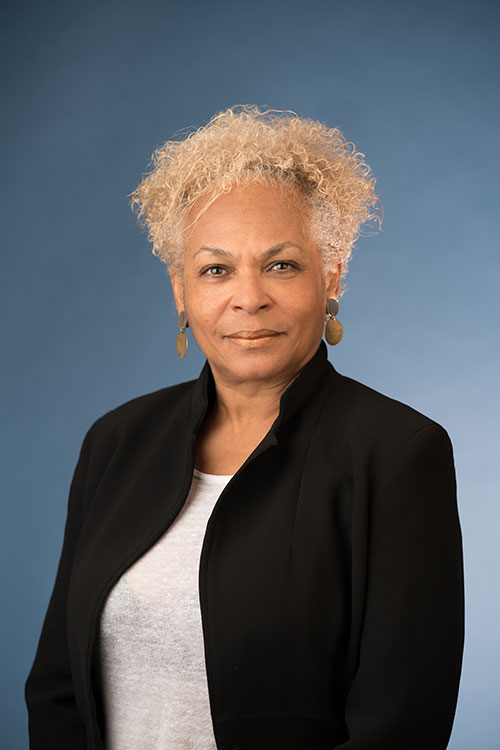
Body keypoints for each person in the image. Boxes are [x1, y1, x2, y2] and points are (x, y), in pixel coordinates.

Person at [25, 104, 464, 750]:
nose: (248, 297)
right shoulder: (116, 442)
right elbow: (58, 689)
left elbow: (399, 726)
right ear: (180, 289)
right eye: (215, 269)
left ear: (333, 273)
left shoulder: (398, 456)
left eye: (281, 264)